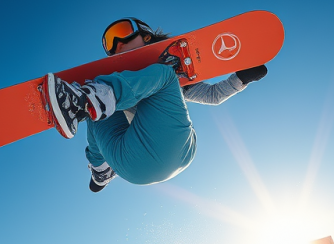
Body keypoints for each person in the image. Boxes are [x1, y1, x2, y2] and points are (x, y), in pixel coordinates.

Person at [43, 17, 267, 193]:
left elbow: (212, 95)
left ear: (146, 35)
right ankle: (100, 167)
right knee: (98, 112)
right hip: (127, 157)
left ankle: (88, 107)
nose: (116, 44)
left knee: (154, 78)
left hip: (167, 152)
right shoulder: (157, 76)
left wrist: (240, 79)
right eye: (110, 44)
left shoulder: (170, 77)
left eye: (121, 33)